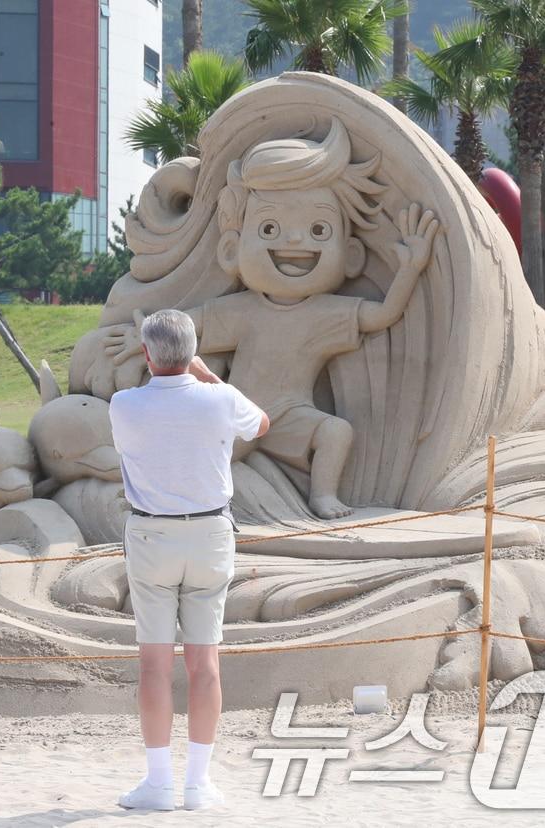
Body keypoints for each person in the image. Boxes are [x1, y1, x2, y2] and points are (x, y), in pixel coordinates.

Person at [103, 118, 439, 519]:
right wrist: (140, 337)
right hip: (237, 411)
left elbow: (384, 314)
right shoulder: (243, 309)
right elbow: (182, 330)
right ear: (231, 250)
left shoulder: (326, 312)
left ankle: (323, 496)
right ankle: (157, 490)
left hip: (292, 415)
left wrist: (410, 269)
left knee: (336, 431)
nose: (294, 241)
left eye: (318, 229)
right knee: (200, 447)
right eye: (269, 227)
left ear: (351, 255)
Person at [108, 310, 269, 812]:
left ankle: (159, 782)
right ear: (193, 351)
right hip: (210, 533)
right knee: (205, 664)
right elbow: (261, 424)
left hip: (152, 532)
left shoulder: (124, 404)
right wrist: (206, 375)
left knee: (154, 664)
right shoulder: (219, 399)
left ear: (146, 354)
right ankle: (197, 784)